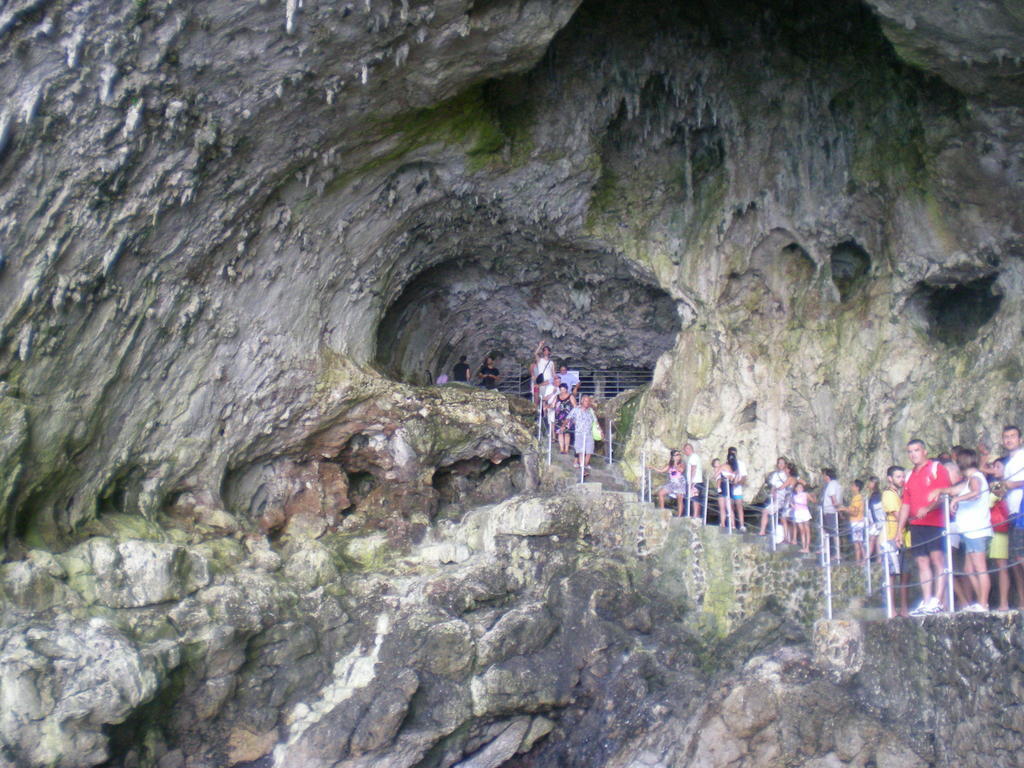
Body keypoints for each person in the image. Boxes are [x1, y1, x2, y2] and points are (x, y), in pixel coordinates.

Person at [897, 438, 952, 615]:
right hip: (916, 524)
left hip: (935, 522)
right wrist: (900, 530)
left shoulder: (937, 469)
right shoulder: (909, 476)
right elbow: (906, 504)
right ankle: (927, 600)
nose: (913, 454)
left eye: (917, 450)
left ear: (924, 451)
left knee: (937, 560)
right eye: (910, 451)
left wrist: (928, 508)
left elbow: (944, 494)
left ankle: (938, 599)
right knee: (921, 561)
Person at [936, 448, 991, 611]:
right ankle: (980, 600)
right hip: (969, 530)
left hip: (977, 529)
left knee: (980, 568)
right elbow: (953, 490)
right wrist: (939, 491)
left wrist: (956, 500)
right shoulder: (968, 480)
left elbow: (976, 493)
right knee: (968, 569)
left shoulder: (975, 477)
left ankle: (983, 603)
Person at [999, 426, 1024, 606]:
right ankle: (1022, 601)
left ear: (1020, 439)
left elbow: (1015, 483)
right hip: (1012, 513)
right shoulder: (1009, 462)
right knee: (1015, 559)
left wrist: (1010, 484)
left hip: (1022, 511)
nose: (1009, 440)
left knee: (1021, 556)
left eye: (1013, 436)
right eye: (1006, 437)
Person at [882, 465, 910, 617]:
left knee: (905, 574)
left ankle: (904, 608)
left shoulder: (899, 494)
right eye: (898, 477)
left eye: (903, 476)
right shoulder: (889, 495)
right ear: (890, 478)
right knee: (892, 575)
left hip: (904, 537)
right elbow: (899, 516)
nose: (902, 479)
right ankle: (892, 609)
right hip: (892, 538)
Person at [987, 457, 1012, 611]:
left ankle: (1004, 603)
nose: (993, 470)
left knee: (1001, 566)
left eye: (997, 467)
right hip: (995, 529)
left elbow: (989, 502)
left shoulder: (1000, 485)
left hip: (999, 529)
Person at [568, 395, 597, 477]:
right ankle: (583, 469)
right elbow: (569, 418)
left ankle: (584, 465)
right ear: (582, 401)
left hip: (589, 434)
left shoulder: (590, 410)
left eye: (588, 401)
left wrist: (600, 430)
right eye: (585, 401)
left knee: (589, 451)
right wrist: (563, 426)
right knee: (580, 451)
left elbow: (595, 421)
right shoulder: (576, 409)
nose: (587, 403)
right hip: (579, 433)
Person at [839, 479, 866, 565]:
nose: (851, 487)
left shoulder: (857, 498)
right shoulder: (856, 497)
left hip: (857, 522)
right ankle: (862, 559)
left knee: (858, 542)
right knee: (858, 541)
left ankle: (860, 560)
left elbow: (854, 512)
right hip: (856, 521)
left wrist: (844, 509)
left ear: (857, 487)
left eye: (853, 486)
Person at [653, 450, 687, 516]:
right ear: (672, 456)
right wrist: (653, 468)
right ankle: (662, 511)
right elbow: (661, 471)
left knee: (679, 499)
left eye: (679, 455)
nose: (678, 456)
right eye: (677, 455)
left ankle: (679, 516)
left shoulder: (682, 464)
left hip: (679, 482)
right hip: (672, 482)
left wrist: (675, 464)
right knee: (660, 493)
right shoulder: (670, 465)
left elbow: (681, 470)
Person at [761, 457, 789, 538]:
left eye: (782, 463)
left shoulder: (787, 474)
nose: (780, 464)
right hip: (777, 500)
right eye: (779, 463)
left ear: (785, 464)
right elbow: (773, 487)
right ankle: (762, 531)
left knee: (784, 519)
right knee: (765, 511)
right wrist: (772, 495)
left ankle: (787, 538)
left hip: (784, 499)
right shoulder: (775, 475)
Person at [820, 468, 843, 561]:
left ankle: (836, 553)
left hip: (830, 511)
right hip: (833, 510)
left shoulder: (831, 485)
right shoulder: (837, 484)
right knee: (828, 531)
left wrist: (837, 509)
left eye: (824, 475)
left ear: (827, 476)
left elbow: (833, 498)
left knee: (833, 532)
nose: (823, 477)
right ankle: (826, 549)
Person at [551, 383, 576, 454]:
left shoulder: (570, 396)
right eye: (561, 389)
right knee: (560, 433)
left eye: (563, 389)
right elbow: (553, 405)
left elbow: (575, 407)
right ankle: (562, 448)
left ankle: (566, 449)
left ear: (566, 389)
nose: (562, 391)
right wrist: (546, 406)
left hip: (568, 417)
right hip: (559, 417)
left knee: (567, 433)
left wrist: (574, 417)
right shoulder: (557, 396)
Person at [726, 447, 747, 530]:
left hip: (737, 488)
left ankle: (742, 525)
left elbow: (744, 476)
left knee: (739, 506)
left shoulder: (741, 464)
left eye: (734, 453)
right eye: (731, 453)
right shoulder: (726, 464)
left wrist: (738, 483)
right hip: (729, 488)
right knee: (730, 507)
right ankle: (733, 525)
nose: (732, 455)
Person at [865, 476, 884, 564]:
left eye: (870, 482)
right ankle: (878, 558)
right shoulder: (874, 495)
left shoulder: (876, 496)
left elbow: (877, 510)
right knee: (875, 539)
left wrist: (875, 521)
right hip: (875, 521)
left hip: (877, 521)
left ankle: (866, 558)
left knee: (871, 539)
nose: (868, 484)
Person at [683, 443, 703, 519]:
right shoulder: (695, 457)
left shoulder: (693, 457)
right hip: (697, 481)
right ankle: (696, 515)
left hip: (695, 482)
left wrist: (691, 482)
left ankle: (695, 515)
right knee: (695, 498)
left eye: (685, 450)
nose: (685, 453)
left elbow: (693, 469)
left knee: (695, 499)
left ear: (689, 449)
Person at [791, 481, 812, 553]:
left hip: (805, 512)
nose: (800, 488)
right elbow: (794, 507)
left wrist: (810, 498)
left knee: (807, 530)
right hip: (798, 513)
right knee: (802, 531)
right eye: (798, 487)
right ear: (795, 488)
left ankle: (807, 547)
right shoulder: (794, 497)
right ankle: (804, 547)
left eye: (801, 487)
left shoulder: (805, 494)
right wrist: (792, 505)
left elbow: (813, 501)